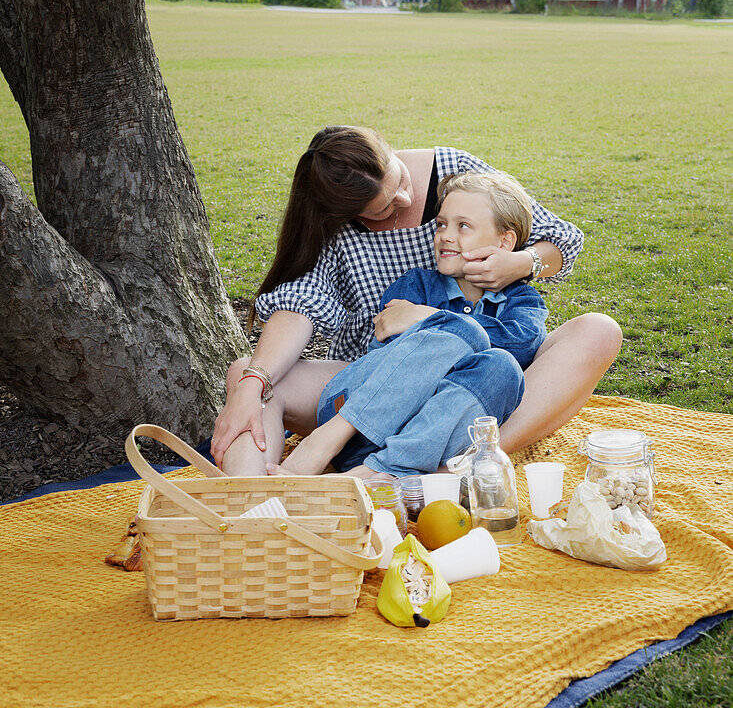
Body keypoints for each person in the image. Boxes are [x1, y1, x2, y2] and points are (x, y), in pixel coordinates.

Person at [211, 126, 622, 475]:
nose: (407, 204)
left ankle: (457, 467)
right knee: (245, 373)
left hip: (482, 391)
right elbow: (329, 320)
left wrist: (520, 263)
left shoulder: (458, 174)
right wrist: (256, 379)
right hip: (379, 387)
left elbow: (561, 242)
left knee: (596, 331)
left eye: (400, 181)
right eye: (384, 207)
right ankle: (255, 505)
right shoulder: (380, 259)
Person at [271, 169, 548, 478]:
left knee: (504, 367)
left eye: (464, 226)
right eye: (441, 224)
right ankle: (321, 444)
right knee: (465, 332)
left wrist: (424, 316)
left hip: (419, 443)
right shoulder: (415, 285)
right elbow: (391, 353)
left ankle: (378, 474)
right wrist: (449, 328)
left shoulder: (523, 300)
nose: (445, 235)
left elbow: (522, 345)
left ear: (505, 241)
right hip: (357, 423)